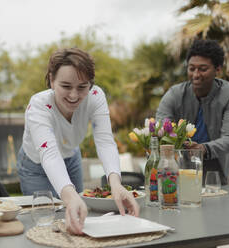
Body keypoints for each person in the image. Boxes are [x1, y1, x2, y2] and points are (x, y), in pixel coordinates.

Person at [17, 48, 139, 234]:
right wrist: (69, 196)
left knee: (79, 216)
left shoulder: (96, 96)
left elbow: (105, 141)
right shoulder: (39, 104)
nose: (74, 96)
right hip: (36, 165)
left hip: (72, 157)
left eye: (82, 87)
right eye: (66, 86)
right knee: (45, 224)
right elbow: (49, 153)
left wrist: (115, 183)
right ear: (51, 80)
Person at [156, 39, 229, 185]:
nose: (196, 75)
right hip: (177, 168)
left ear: (218, 69)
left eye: (203, 69)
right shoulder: (174, 94)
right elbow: (161, 128)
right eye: (191, 69)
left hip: (214, 170)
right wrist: (178, 143)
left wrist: (204, 149)